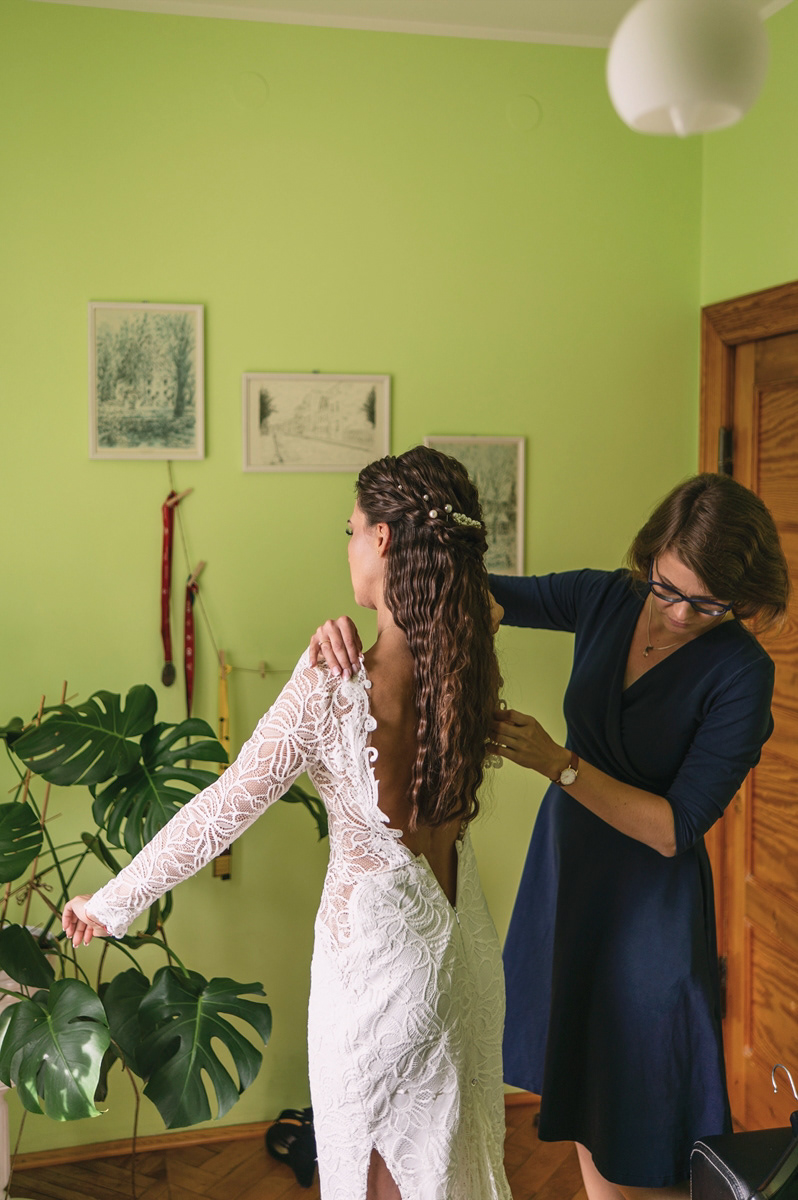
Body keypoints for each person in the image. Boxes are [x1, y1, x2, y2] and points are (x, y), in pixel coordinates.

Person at [314, 472, 789, 1200]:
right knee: (583, 1090)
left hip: (651, 903)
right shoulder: (606, 597)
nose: (679, 614)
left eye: (708, 605)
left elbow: (676, 828)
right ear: (650, 556)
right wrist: (350, 622)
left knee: (649, 1107)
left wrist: (559, 764)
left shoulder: (743, 673)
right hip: (570, 874)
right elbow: (452, 589)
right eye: (667, 588)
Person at [63, 446, 513, 1200]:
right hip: (462, 960)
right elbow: (477, 606)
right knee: (449, 1171)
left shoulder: (333, 686)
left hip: (377, 978)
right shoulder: (469, 668)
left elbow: (223, 808)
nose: (348, 546)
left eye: (351, 530)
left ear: (383, 540)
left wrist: (109, 903)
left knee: (373, 1178)